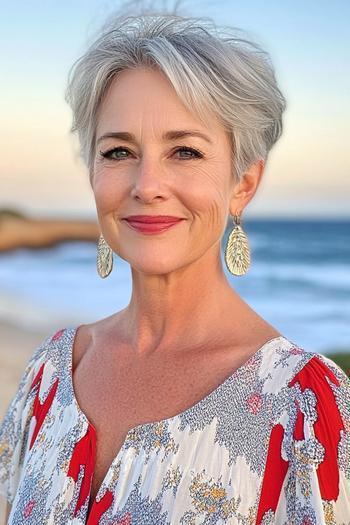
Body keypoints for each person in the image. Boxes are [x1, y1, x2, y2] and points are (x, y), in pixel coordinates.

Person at [1, 5, 350, 525]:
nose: (146, 185)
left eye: (184, 151)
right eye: (118, 152)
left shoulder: (305, 411)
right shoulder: (49, 374)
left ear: (244, 183)